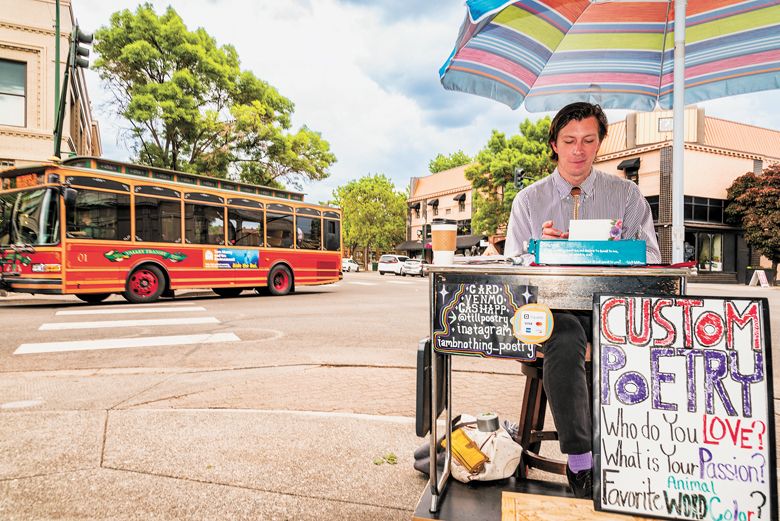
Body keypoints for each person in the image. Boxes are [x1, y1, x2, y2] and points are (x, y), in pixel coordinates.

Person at [504, 102, 661, 499]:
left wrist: (616, 250)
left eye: (588, 140)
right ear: (554, 144)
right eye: (569, 141)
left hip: (611, 308)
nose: (579, 150)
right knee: (565, 334)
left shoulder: (626, 196)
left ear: (600, 143)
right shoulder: (528, 200)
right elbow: (511, 265)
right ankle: (581, 463)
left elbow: (653, 258)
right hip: (553, 311)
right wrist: (541, 250)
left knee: (622, 337)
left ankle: (639, 452)